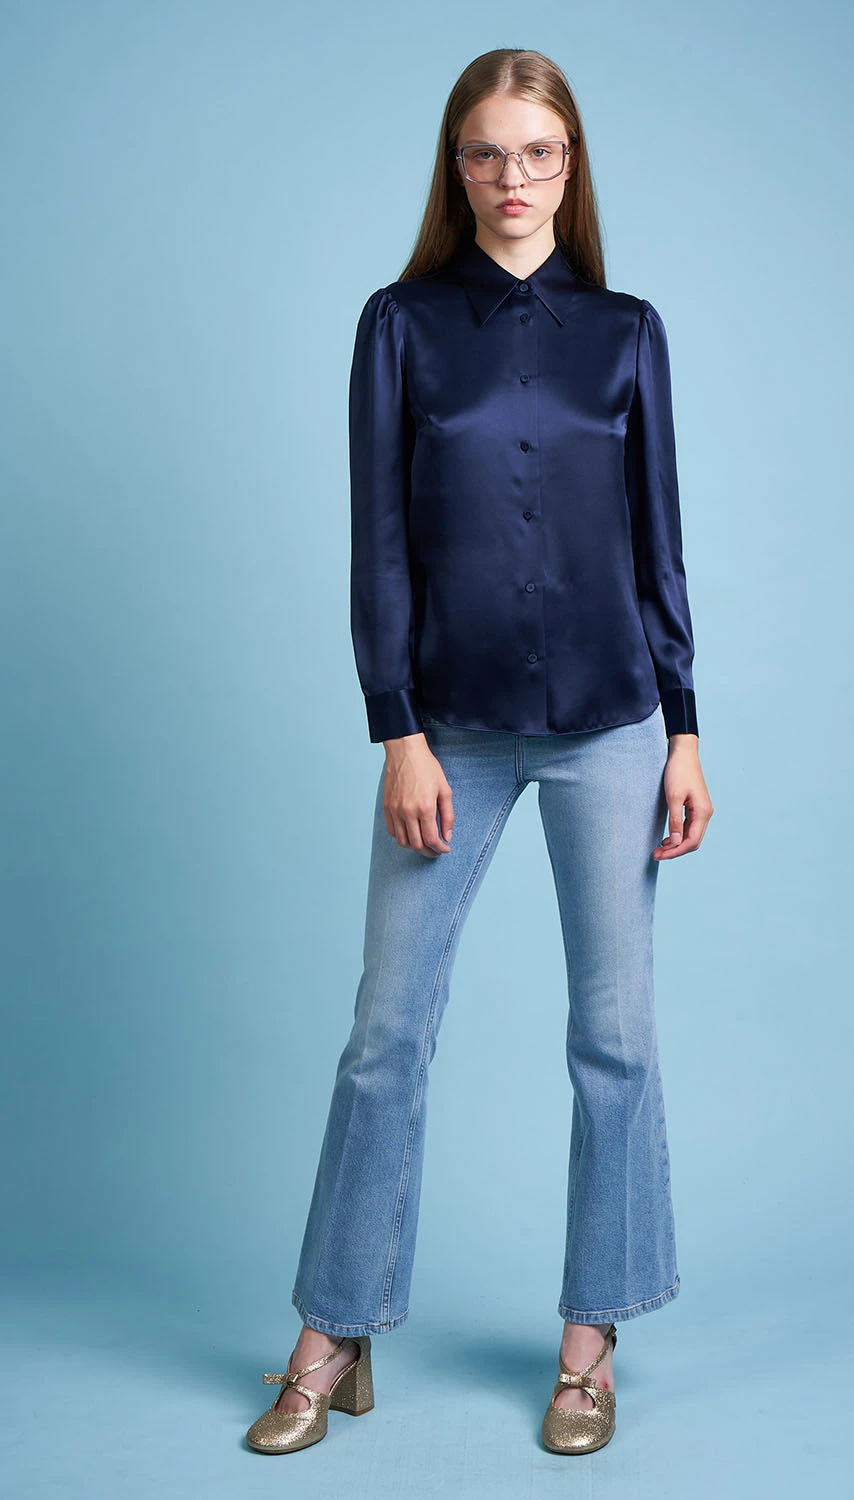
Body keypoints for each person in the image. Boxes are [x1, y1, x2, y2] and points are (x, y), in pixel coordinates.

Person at [246, 46, 714, 1459]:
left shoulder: (628, 332)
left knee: (615, 1039)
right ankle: (334, 1333)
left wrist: (686, 729)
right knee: (385, 1038)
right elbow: (378, 545)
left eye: (540, 152)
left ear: (573, 168)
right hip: (446, 729)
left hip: (612, 726)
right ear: (455, 170)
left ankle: (592, 1343)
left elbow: (660, 545)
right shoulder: (399, 325)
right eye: (488, 153)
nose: (516, 178)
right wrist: (396, 728)